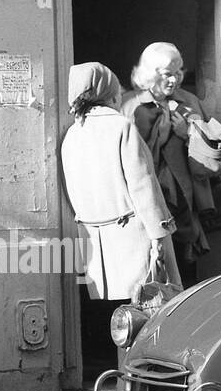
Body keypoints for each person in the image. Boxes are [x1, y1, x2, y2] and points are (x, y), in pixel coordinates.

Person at [59, 62, 180, 314]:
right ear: (110, 93)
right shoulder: (121, 126)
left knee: (116, 317)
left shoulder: (72, 134)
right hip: (133, 237)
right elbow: (143, 185)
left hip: (95, 240)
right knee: (150, 312)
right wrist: (159, 235)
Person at [121, 41, 216, 285]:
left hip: (186, 201)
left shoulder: (190, 102)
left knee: (185, 273)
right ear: (150, 75)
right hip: (148, 201)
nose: (173, 80)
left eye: (177, 73)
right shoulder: (130, 106)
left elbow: (212, 151)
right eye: (166, 75)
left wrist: (188, 134)